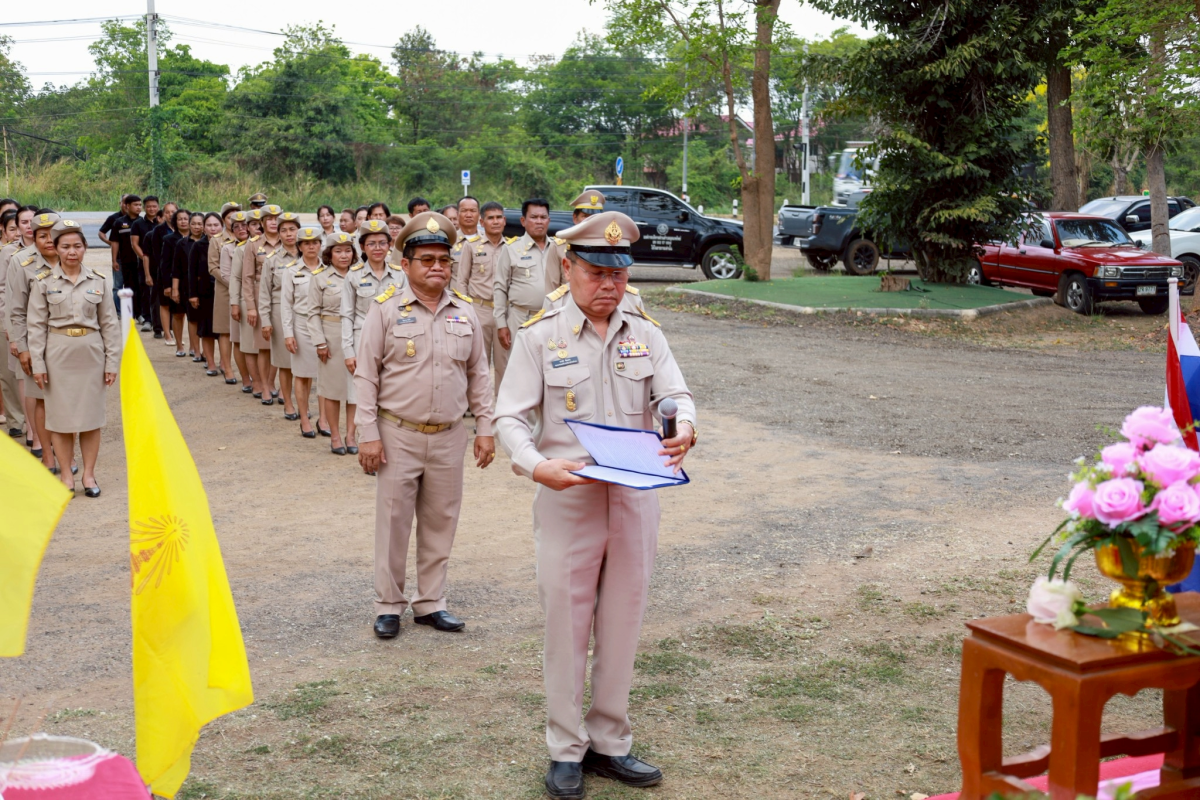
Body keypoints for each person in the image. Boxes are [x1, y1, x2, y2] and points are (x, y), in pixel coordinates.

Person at [493, 211, 696, 799]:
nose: (609, 285)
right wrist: (535, 465)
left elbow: (675, 394)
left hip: (635, 498)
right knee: (567, 625)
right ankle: (565, 748)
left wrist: (685, 426)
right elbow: (509, 416)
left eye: (619, 273)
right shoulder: (540, 335)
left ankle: (610, 740)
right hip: (569, 496)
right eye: (596, 272)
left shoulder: (645, 332)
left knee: (622, 621)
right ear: (569, 267)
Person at [353, 211, 496, 640]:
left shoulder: (465, 312)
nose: (437, 267)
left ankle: (431, 602)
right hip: (398, 433)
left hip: (449, 435)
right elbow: (366, 375)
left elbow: (479, 374)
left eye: (443, 260)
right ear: (406, 264)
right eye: (427, 260)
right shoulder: (385, 310)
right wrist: (368, 434)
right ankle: (388, 605)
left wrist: (485, 427)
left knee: (441, 521)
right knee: (394, 523)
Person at [27, 220, 120, 497]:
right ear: (56, 249)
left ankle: (89, 475)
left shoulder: (98, 281)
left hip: (91, 355)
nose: (71, 252)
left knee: (91, 418)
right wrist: (38, 364)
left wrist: (112, 362)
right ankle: (66, 475)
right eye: (65, 246)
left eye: (77, 246)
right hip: (57, 355)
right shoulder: (44, 282)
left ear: (85, 248)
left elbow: (109, 325)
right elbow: (36, 326)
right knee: (61, 420)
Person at [341, 219, 407, 440]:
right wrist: (348, 351)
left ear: (390, 245)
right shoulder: (353, 275)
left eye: (382, 243)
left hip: (393, 340)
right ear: (362, 247)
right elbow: (346, 315)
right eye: (371, 244)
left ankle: (387, 438)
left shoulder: (400, 275)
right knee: (360, 391)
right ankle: (357, 437)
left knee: (391, 389)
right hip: (362, 340)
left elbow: (407, 310)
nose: (377, 248)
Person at [9, 211, 64, 472]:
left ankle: (66, 456)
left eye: (54, 234)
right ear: (34, 236)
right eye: (43, 235)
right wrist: (21, 347)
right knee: (42, 400)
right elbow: (16, 310)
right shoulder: (22, 262)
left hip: (67, 345)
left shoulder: (71, 257)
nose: (49, 239)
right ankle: (48, 456)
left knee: (66, 403)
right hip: (37, 345)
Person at [493, 198, 565, 390]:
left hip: (552, 318)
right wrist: (501, 324)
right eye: (534, 217)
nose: (539, 221)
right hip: (521, 319)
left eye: (543, 217)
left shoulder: (559, 248)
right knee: (520, 370)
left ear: (549, 220)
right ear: (523, 221)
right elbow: (500, 287)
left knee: (552, 367)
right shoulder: (511, 248)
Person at [309, 232, 357, 450]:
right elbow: (312, 313)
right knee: (332, 389)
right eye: (338, 251)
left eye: (348, 250)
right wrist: (320, 342)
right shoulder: (319, 277)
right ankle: (335, 436)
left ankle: (351, 436)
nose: (344, 255)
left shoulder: (359, 275)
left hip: (356, 335)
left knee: (355, 390)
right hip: (331, 336)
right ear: (329, 254)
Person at [453, 201, 505, 377]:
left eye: (499, 217)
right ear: (482, 222)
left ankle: (501, 395)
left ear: (504, 221)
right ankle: (477, 396)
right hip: (478, 309)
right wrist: (465, 311)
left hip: (504, 311)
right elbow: (462, 281)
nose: (495, 222)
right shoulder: (471, 246)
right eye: (490, 218)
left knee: (504, 362)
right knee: (478, 362)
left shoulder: (511, 247)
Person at [281, 226, 324, 438]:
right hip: (302, 325)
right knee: (302, 373)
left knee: (325, 374)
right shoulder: (291, 271)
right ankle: (304, 418)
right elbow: (286, 304)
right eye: (306, 243)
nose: (311, 247)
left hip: (324, 326)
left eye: (315, 242)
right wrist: (288, 333)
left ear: (320, 245)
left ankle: (324, 418)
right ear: (299, 247)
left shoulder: (329, 269)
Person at [259, 211, 302, 416]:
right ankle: (288, 404)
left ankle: (302, 405)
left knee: (305, 363)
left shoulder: (310, 256)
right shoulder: (272, 260)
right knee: (285, 363)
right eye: (283, 230)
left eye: (292, 229)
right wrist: (265, 320)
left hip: (305, 313)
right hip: (278, 313)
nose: (288, 234)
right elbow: (264, 292)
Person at [242, 205, 283, 401]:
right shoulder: (253, 244)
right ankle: (265, 386)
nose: (273, 222)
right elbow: (247, 278)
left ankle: (275, 383)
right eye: (269, 219)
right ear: (262, 222)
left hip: (284, 296)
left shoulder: (289, 242)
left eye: (276, 219)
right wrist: (251, 307)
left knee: (282, 343)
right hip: (261, 297)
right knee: (264, 345)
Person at [0, 208, 27, 439]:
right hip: (9, 317)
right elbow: (2, 289)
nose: (22, 230)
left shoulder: (50, 248)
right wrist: (6, 321)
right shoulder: (8, 253)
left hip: (35, 319)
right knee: (10, 372)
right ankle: (16, 419)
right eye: (17, 226)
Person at [229, 210, 262, 394]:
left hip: (269, 301)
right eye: (254, 224)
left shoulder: (276, 247)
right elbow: (235, 278)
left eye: (259, 223)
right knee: (249, 345)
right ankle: (255, 382)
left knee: (268, 346)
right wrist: (235, 303)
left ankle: (268, 383)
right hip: (246, 300)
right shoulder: (242, 249)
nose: (257, 227)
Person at [208, 203, 240, 381]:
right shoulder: (217, 240)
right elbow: (213, 267)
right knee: (226, 331)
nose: (234, 221)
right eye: (230, 218)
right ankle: (227, 369)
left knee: (244, 333)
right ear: (223, 220)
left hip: (246, 292)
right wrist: (233, 284)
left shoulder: (248, 237)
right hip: (225, 290)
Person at [190, 213, 222, 375]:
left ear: (222, 226)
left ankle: (224, 362)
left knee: (224, 332)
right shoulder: (198, 246)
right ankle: (211, 363)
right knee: (207, 330)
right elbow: (191, 272)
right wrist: (193, 294)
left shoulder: (228, 244)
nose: (213, 228)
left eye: (216, 225)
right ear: (204, 228)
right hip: (205, 293)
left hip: (223, 292)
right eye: (209, 225)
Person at [171, 210, 203, 360]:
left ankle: (196, 348)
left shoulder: (210, 242)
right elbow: (176, 268)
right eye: (194, 223)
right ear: (189, 225)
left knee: (198, 319)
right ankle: (182, 346)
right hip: (184, 285)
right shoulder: (182, 243)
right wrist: (174, 289)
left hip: (203, 285)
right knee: (184, 316)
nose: (197, 227)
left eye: (200, 224)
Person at [130, 195, 162, 336]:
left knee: (160, 294)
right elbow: (134, 244)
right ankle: (147, 320)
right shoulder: (138, 224)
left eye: (154, 206)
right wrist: (144, 258)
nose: (152, 209)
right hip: (145, 264)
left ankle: (161, 321)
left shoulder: (162, 223)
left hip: (162, 265)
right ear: (144, 207)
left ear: (158, 207)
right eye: (149, 206)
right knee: (145, 292)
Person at [148, 201, 179, 346]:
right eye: (167, 212)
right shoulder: (158, 231)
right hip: (163, 271)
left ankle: (176, 334)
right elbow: (156, 254)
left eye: (173, 212)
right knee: (164, 303)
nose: (170, 214)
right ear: (163, 214)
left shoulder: (183, 228)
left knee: (178, 306)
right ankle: (167, 334)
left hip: (180, 273)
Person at [159, 207, 188, 356]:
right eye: (180, 219)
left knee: (195, 318)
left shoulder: (200, 238)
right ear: (175, 222)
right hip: (176, 282)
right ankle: (179, 345)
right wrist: (167, 285)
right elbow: (165, 264)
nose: (183, 222)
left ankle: (195, 348)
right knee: (178, 314)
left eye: (186, 219)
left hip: (194, 283)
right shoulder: (169, 239)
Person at [114, 195, 143, 323]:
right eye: (135, 205)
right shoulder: (119, 222)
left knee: (141, 288)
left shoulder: (143, 222)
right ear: (127, 206)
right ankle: (128, 314)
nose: (138, 207)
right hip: (126, 261)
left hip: (141, 261)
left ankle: (141, 314)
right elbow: (115, 242)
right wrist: (114, 260)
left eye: (140, 205)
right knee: (128, 288)